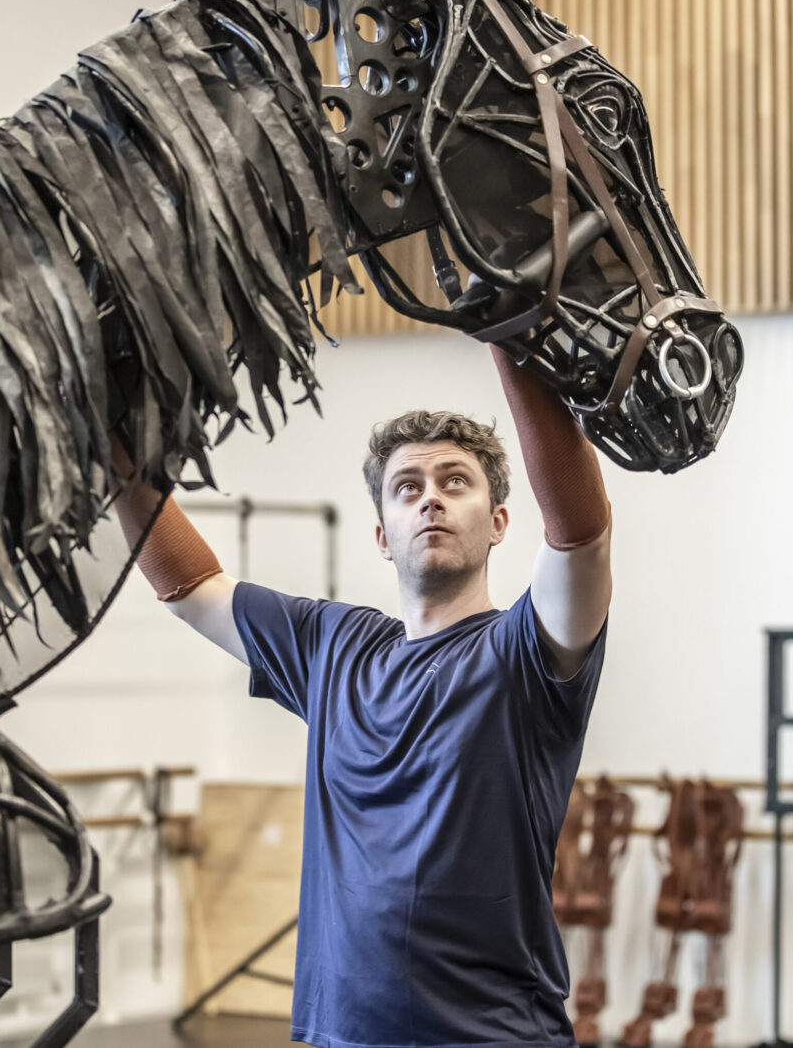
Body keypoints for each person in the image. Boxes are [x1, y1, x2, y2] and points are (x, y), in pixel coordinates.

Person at [112, 347, 612, 1048]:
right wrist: (112, 455)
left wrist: (509, 334)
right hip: (339, 1035)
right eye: (407, 487)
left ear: (498, 523)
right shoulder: (333, 645)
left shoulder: (525, 654)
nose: (430, 496)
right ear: (383, 536)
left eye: (455, 481)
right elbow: (191, 591)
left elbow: (582, 535)